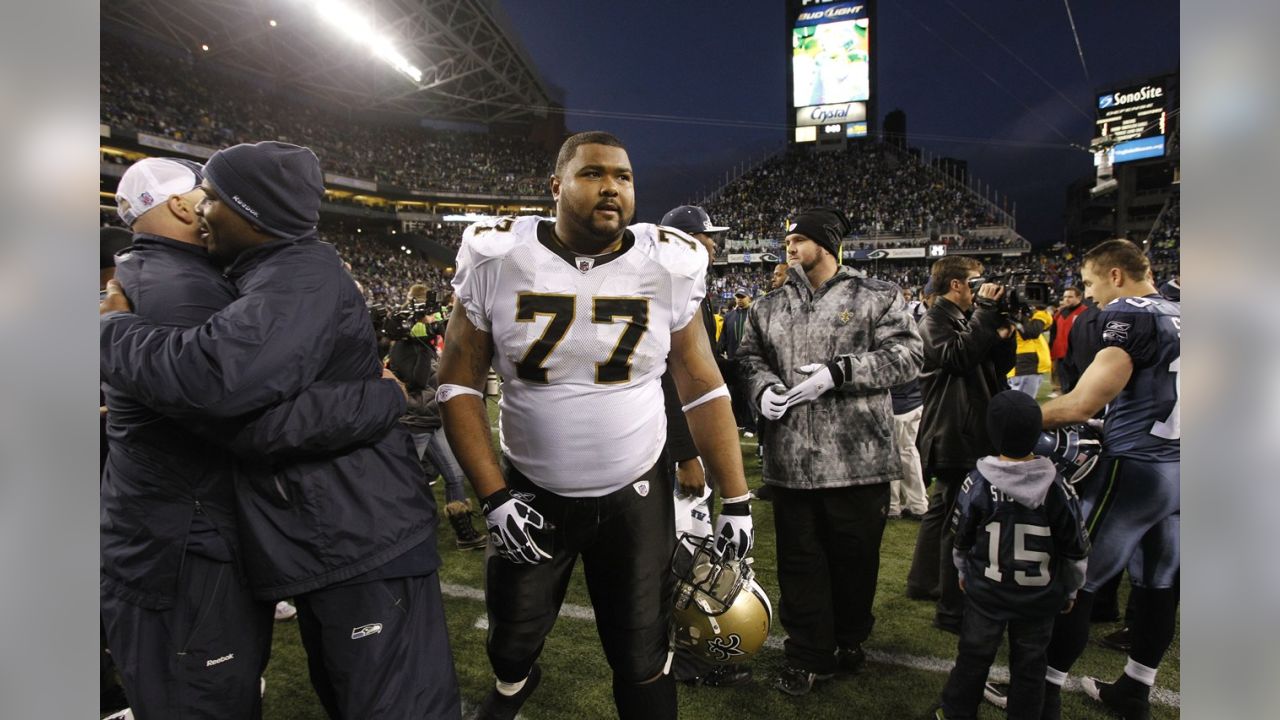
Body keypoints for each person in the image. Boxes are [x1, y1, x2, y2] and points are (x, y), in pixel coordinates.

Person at [100, 143, 461, 719]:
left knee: (395, 706)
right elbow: (230, 397)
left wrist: (110, 332)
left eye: (214, 197)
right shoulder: (252, 272)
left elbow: (230, 400)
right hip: (331, 530)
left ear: (252, 211)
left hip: (362, 532)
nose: (203, 210)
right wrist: (379, 396)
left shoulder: (295, 273)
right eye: (200, 195)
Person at [437, 131, 754, 720]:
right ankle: (512, 683)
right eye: (593, 174)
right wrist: (493, 496)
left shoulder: (668, 262)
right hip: (530, 489)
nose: (611, 186)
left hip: (636, 490)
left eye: (624, 176)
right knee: (509, 644)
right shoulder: (497, 256)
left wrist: (734, 495)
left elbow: (701, 383)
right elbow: (456, 383)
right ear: (556, 186)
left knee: (641, 653)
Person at [736, 206, 922, 696]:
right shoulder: (768, 305)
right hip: (791, 462)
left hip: (858, 461)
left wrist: (840, 373)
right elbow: (749, 358)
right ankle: (807, 654)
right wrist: (763, 389)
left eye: (798, 239)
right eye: (787, 241)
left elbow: (908, 357)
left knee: (855, 564)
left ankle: (848, 638)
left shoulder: (877, 295)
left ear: (826, 242)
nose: (790, 249)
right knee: (800, 565)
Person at [1034, 239, 1181, 720]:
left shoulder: (1132, 313)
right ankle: (1135, 688)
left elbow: (1081, 403)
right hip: (1187, 468)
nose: (1090, 294)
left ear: (1116, 275)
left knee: (1079, 579)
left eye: (1092, 283)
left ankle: (1042, 691)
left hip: (1138, 467)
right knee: (1158, 581)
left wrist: (1018, 420)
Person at [934, 391, 1090, 720]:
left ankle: (956, 712)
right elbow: (1075, 548)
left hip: (986, 593)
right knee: (1031, 666)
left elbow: (960, 541)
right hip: (1038, 598)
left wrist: (963, 572)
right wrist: (1071, 588)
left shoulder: (975, 482)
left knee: (973, 658)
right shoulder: (1060, 487)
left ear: (991, 432)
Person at [658, 204, 752, 688]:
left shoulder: (694, 291)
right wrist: (684, 453)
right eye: (705, 236)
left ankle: (695, 655)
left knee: (699, 556)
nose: (714, 245)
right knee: (686, 560)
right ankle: (686, 661)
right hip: (675, 452)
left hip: (694, 443)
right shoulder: (663, 288)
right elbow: (666, 383)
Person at [906, 256, 1015, 635]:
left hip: (961, 429)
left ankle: (924, 582)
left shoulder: (963, 319)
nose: (980, 288)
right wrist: (985, 314)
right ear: (956, 285)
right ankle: (952, 609)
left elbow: (1000, 366)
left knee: (942, 510)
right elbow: (957, 358)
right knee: (959, 519)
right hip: (954, 432)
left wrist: (1003, 327)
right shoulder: (933, 320)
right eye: (975, 282)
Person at [388, 306, 487, 550]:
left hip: (433, 420)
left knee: (455, 476)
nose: (434, 321)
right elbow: (418, 380)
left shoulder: (430, 343)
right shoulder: (403, 347)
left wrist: (432, 339)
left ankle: (464, 534)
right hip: (414, 423)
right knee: (404, 481)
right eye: (429, 318)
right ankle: (397, 533)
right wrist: (420, 346)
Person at [719, 288, 758, 434]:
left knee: (748, 394)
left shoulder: (754, 314)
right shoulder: (729, 316)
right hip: (732, 360)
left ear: (749, 297)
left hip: (750, 360)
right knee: (734, 394)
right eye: (737, 297)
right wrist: (720, 349)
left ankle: (750, 426)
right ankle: (739, 422)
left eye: (742, 297)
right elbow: (724, 335)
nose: (739, 299)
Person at [1008, 303, 1053, 398]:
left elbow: (1047, 324)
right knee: (1023, 404)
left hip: (1022, 363)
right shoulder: (1012, 317)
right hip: (1025, 363)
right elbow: (1031, 333)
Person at [1049, 287, 1086, 394]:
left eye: (1070, 297)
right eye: (1065, 297)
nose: (1066, 299)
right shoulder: (1059, 313)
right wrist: (1051, 350)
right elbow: (1053, 334)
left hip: (1077, 355)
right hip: (1060, 354)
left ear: (1079, 297)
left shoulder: (1085, 312)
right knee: (1064, 386)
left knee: (1076, 387)